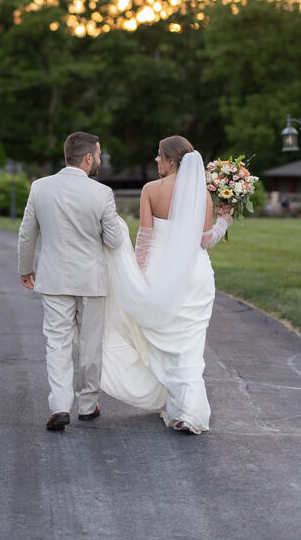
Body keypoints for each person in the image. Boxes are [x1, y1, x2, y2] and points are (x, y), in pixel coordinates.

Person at [100, 135, 232, 434]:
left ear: (172, 160)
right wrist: (225, 222)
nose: (156, 160)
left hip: (159, 273)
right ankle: (187, 411)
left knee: (163, 342)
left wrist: (136, 273)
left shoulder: (150, 190)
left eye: (160, 155)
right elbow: (205, 239)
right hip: (195, 277)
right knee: (190, 345)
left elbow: (145, 239)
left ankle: (183, 408)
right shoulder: (202, 193)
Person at [18, 132, 123, 431]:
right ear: (88, 158)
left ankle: (61, 405)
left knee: (57, 343)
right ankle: (88, 406)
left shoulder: (40, 187)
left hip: (53, 279)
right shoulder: (102, 193)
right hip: (91, 279)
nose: (100, 160)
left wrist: (25, 268)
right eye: (99, 155)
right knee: (90, 345)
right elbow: (114, 240)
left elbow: (27, 233)